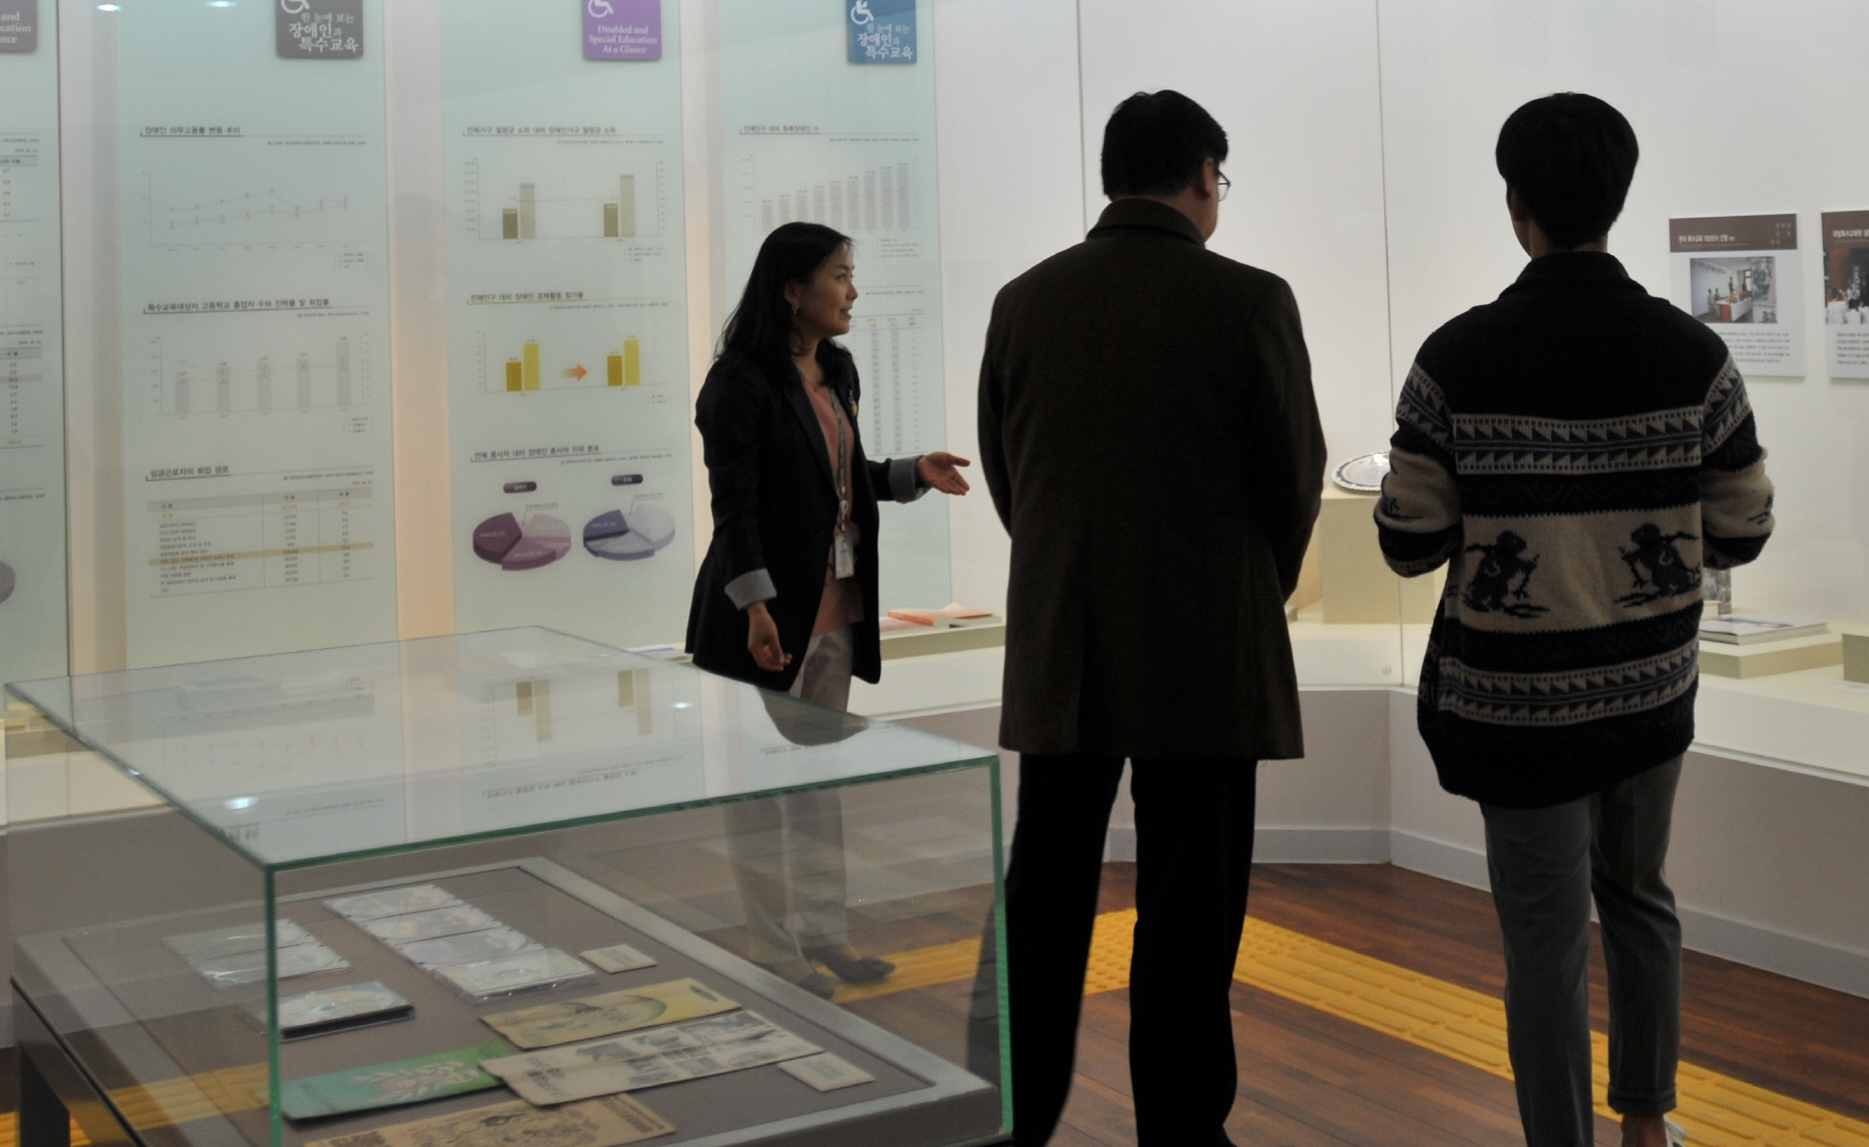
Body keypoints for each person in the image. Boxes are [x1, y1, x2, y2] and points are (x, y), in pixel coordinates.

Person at [1377, 93, 1774, 1147]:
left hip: (1517, 710)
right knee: (1640, 899)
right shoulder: (1692, 353)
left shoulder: (1456, 358)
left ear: (1516, 204)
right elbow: (1744, 527)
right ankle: (1645, 1124)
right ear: (1619, 199)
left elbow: (1409, 542)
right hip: (1649, 692)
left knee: (1544, 945)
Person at [977, 90, 1326, 1146]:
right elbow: (1293, 477)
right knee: (1189, 908)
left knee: (1044, 892)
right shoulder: (1249, 299)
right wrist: (1252, 588)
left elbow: (1008, 472)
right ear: (1204, 177)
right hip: (1204, 649)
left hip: (1064, 643)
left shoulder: (1024, 299)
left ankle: (1012, 1117)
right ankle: (1179, 1128)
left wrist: (1066, 571)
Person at [687, 221, 973, 996]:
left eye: (851, 274)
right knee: (756, 795)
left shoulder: (835, 369)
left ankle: (825, 934)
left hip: (835, 609)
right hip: (764, 619)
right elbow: (735, 509)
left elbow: (835, 482)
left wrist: (910, 473)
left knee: (818, 787)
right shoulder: (738, 382)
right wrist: (755, 608)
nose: (853, 291)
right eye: (840, 276)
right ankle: (773, 949)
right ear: (792, 290)